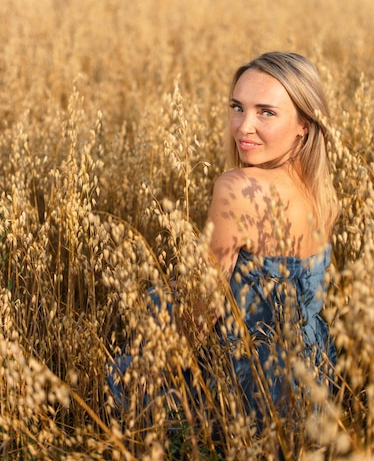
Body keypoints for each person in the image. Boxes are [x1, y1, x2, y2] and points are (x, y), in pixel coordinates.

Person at [108, 51, 338, 450]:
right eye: (237, 107)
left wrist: (139, 377)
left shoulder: (239, 188)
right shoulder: (322, 189)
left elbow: (200, 314)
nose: (243, 126)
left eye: (266, 112)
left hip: (250, 393)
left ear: (303, 124)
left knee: (121, 371)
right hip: (312, 383)